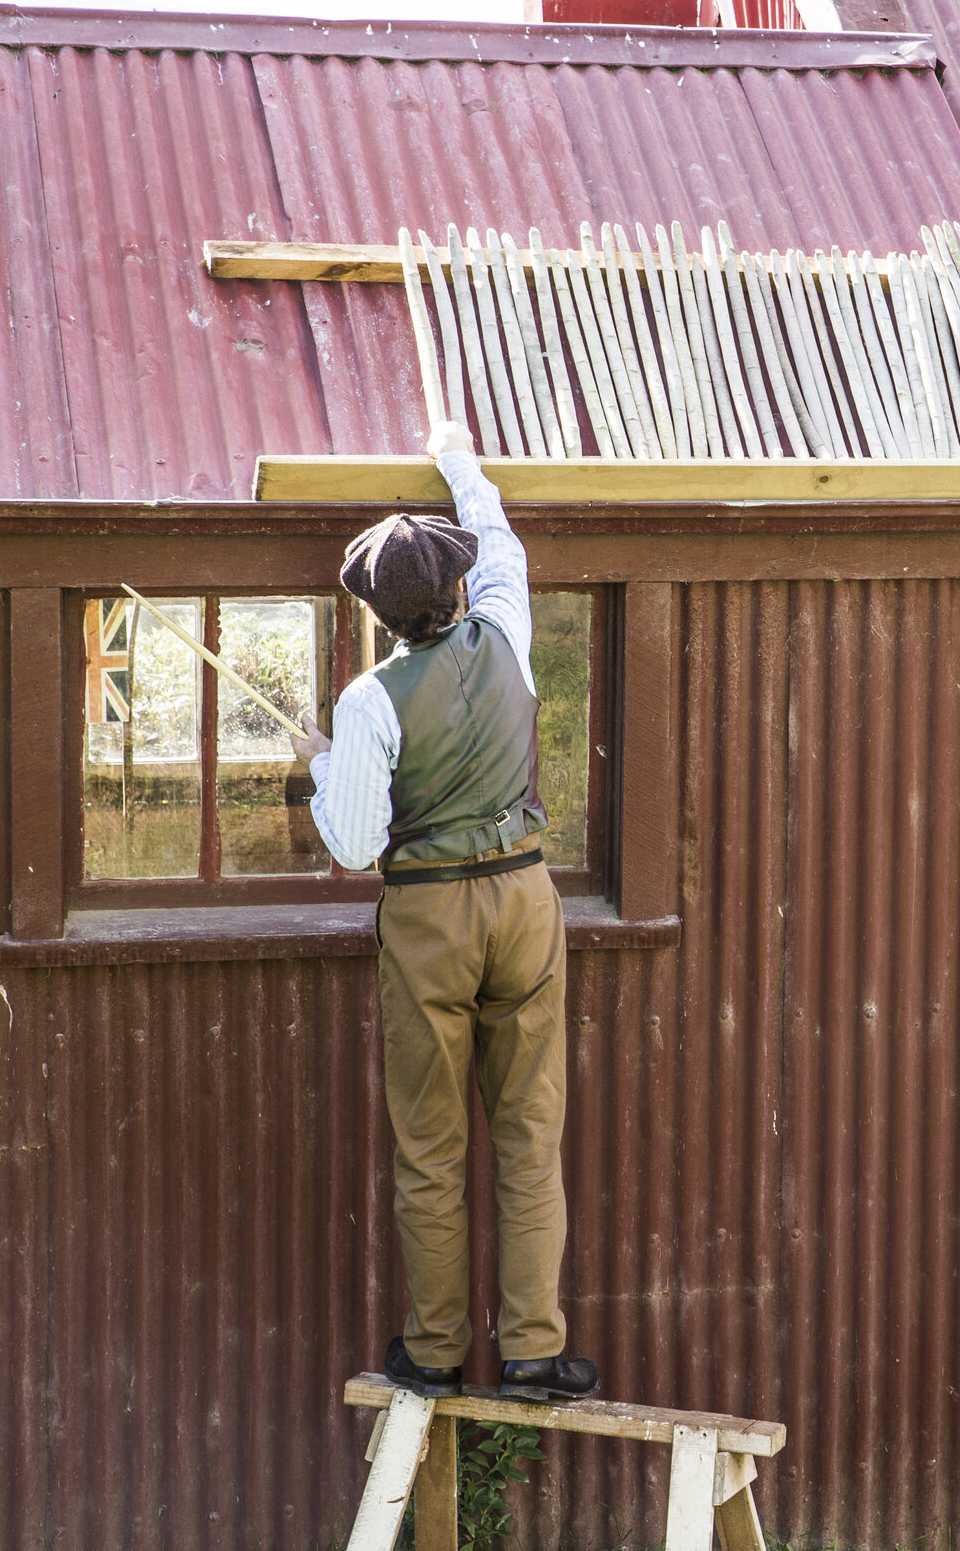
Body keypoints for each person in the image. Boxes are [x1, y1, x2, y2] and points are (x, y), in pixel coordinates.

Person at [293, 419, 599, 1404]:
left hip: (429, 917)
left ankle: (432, 1350)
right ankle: (534, 1351)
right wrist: (457, 457)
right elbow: (498, 531)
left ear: (378, 610)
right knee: (529, 1132)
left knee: (431, 1146)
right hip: (523, 897)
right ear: (459, 587)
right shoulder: (505, 626)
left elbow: (351, 843)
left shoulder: (369, 700)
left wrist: (323, 771)